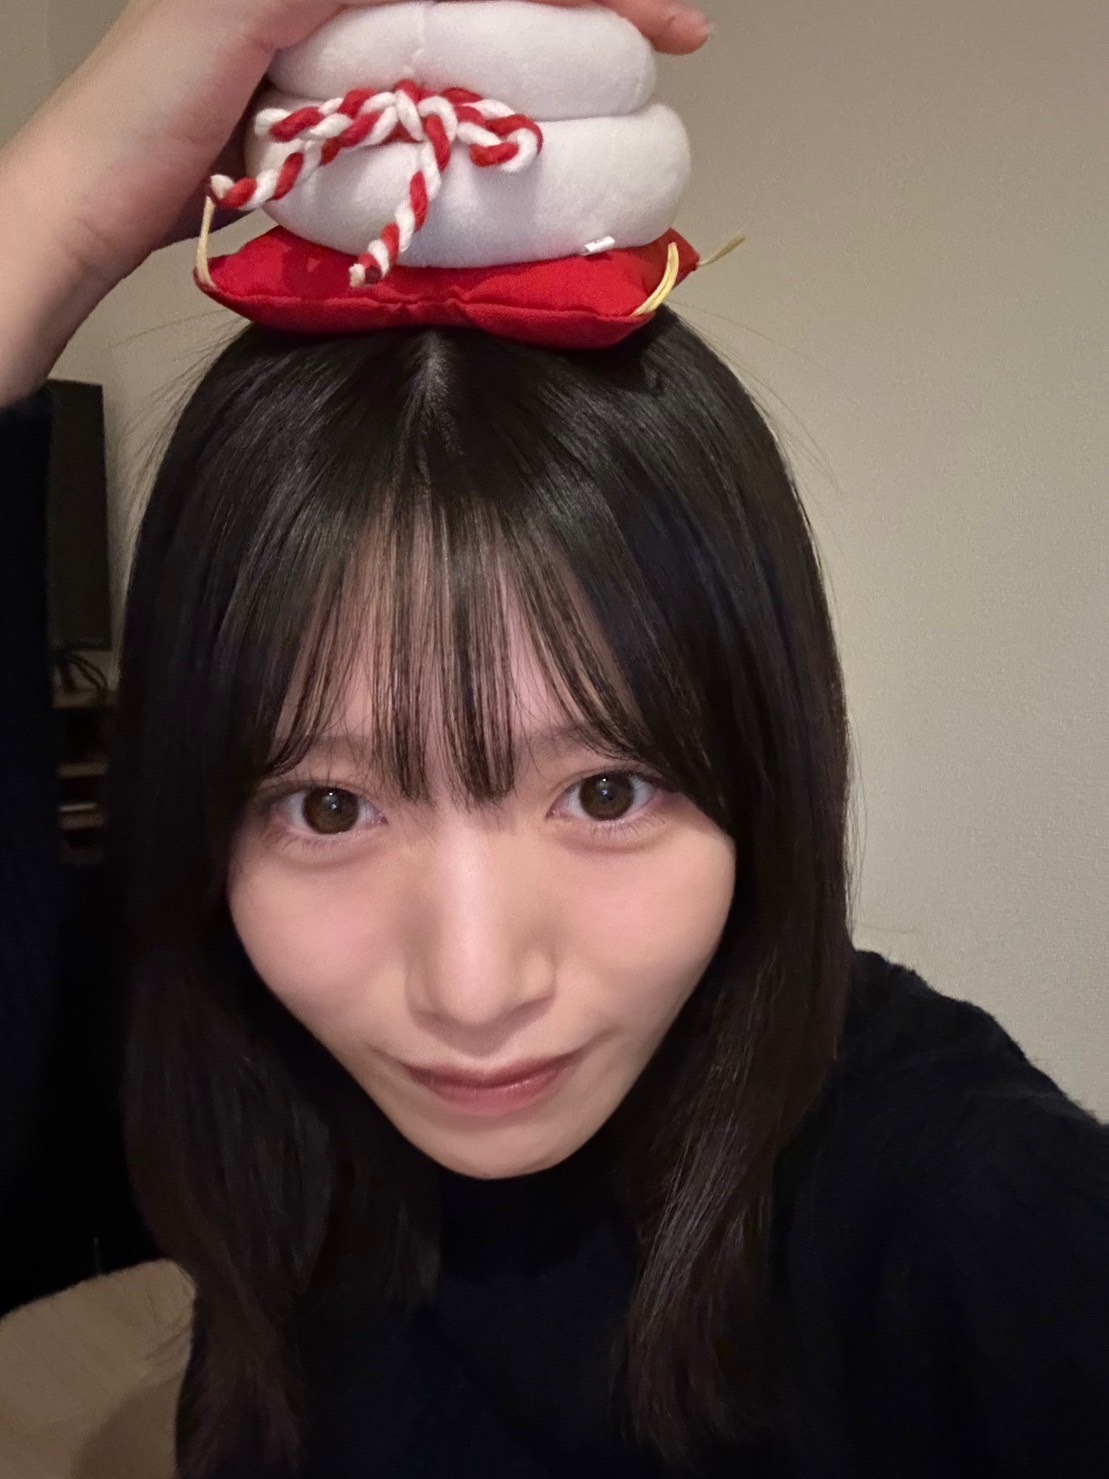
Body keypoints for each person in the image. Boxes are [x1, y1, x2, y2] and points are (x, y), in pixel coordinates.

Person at [2, 4, 1107, 1479]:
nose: (473, 990)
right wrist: (55, 215)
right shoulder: (222, 1043)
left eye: (604, 789)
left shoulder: (965, 1208)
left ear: (762, 764)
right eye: (327, 807)